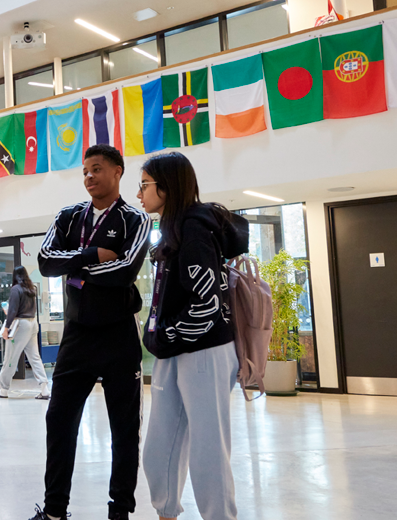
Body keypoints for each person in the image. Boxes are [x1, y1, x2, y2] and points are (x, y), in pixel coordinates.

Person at [30, 144, 152, 520]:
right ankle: (54, 512)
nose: (89, 177)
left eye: (97, 169)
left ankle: (120, 512)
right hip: (77, 336)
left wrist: (75, 271)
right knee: (59, 421)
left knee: (124, 429)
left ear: (118, 171)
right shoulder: (68, 217)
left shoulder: (136, 219)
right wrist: (91, 256)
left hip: (119, 337)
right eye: (85, 171)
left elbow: (126, 270)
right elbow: (45, 262)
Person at [136, 152, 249, 520]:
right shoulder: (174, 227)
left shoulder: (194, 227)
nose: (139, 193)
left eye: (144, 185)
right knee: (159, 446)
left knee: (208, 448)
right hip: (176, 352)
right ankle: (166, 512)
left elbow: (207, 302)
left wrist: (168, 332)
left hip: (204, 351)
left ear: (165, 189)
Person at [0, 266, 51, 399]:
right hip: (32, 323)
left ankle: (3, 389)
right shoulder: (31, 289)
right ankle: (44, 388)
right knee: (34, 357)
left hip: (20, 325)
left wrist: (7, 327)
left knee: (10, 358)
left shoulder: (15, 289)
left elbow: (13, 310)